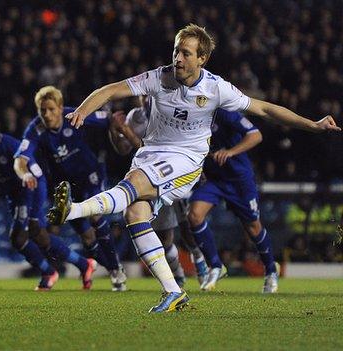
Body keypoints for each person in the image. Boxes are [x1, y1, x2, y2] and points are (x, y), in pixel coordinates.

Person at [47, 24, 339, 312]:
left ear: (202, 59)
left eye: (186, 53)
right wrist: (83, 110)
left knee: (134, 184)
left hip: (185, 160)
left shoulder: (216, 88)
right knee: (134, 214)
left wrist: (311, 124)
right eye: (176, 51)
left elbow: (264, 109)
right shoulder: (159, 77)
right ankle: (173, 292)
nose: (178, 59)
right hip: (151, 154)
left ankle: (72, 210)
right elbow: (110, 90)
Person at [0, 109, 93, 290]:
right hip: (12, 194)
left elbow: (35, 171)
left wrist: (28, 180)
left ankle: (50, 272)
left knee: (23, 235)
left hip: (31, 187)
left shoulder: (11, 145)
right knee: (28, 238)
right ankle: (81, 264)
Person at [14, 86, 127, 291]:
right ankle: (112, 268)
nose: (46, 115)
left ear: (60, 107)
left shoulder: (74, 115)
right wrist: (26, 174)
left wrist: (121, 134)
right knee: (87, 239)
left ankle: (116, 270)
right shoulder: (35, 129)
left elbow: (108, 118)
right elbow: (20, 160)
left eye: (50, 109)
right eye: (42, 110)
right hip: (65, 187)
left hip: (90, 176)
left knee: (96, 217)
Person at [109, 101, 208, 287]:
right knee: (164, 237)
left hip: (174, 173)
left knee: (187, 225)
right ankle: (178, 275)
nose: (145, 97)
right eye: (141, 94)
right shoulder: (135, 117)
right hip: (149, 179)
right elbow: (123, 149)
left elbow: (153, 150)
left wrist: (126, 131)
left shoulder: (170, 112)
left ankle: (198, 258)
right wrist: (115, 130)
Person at [188, 108, 280, 293]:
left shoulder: (225, 113)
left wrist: (230, 152)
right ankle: (215, 266)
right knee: (194, 215)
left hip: (239, 180)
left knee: (253, 227)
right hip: (214, 179)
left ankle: (270, 271)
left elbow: (255, 135)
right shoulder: (189, 117)